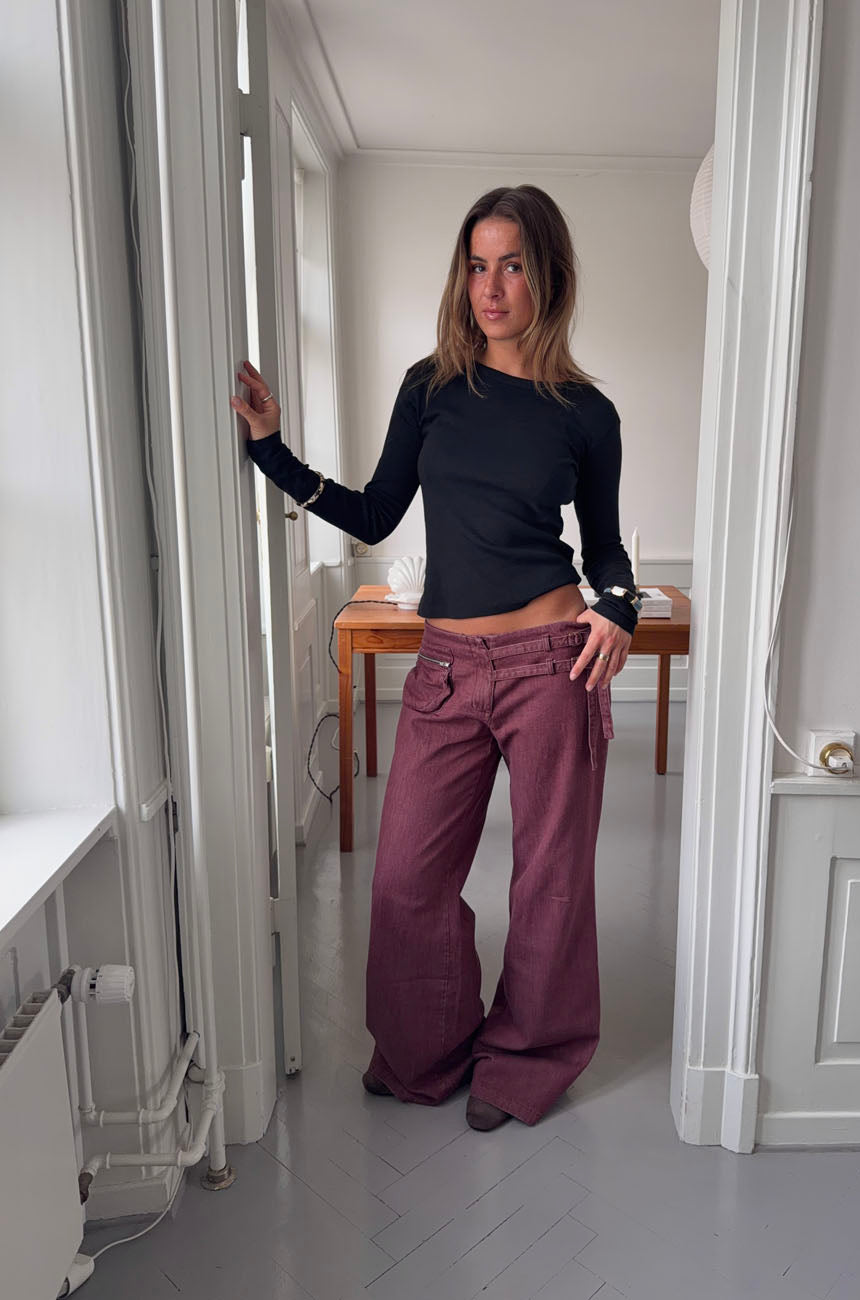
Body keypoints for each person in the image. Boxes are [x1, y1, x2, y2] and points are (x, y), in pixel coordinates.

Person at [231, 184, 640, 1131]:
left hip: (553, 663)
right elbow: (376, 513)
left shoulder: (586, 412)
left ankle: (524, 1061)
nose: (489, 288)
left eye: (512, 266)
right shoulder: (430, 388)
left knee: (549, 881)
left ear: (548, 277)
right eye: (475, 264)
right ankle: (426, 1049)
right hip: (447, 667)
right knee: (405, 879)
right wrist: (271, 449)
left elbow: (605, 548)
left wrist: (617, 607)